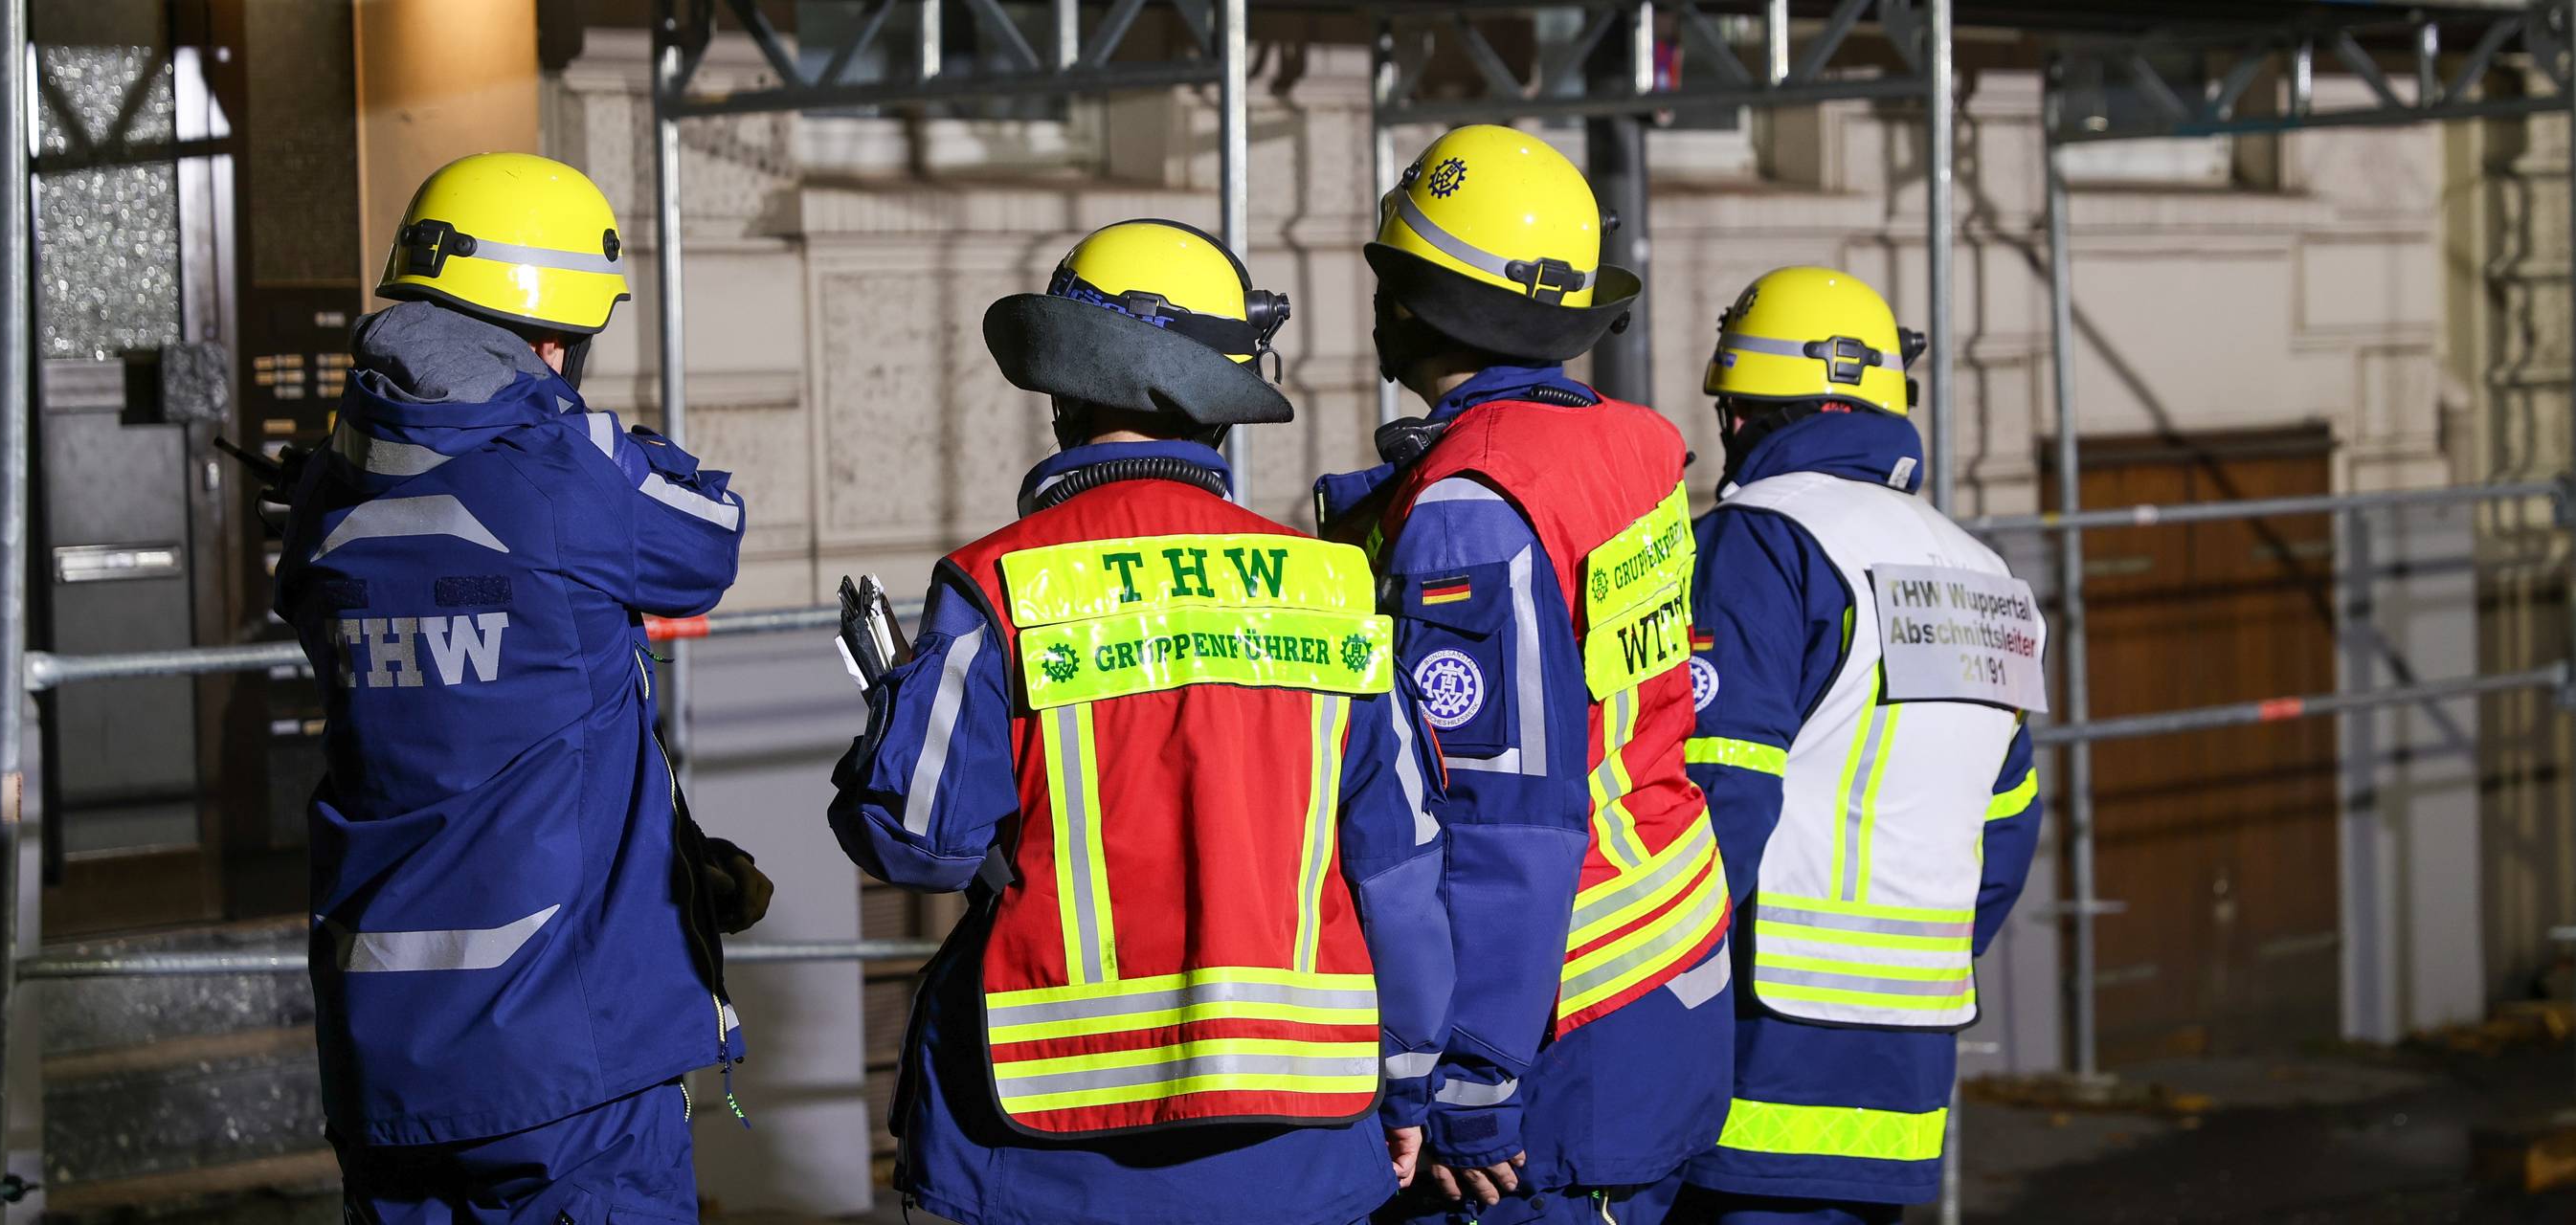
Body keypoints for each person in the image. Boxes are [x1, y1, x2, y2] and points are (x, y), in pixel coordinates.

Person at [826, 218, 1453, 1225]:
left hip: (1047, 1150)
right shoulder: (1335, 587)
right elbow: (1401, 865)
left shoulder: (997, 586)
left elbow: (917, 843)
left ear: (1065, 389)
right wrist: (1414, 1075)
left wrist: (899, 705)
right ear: (1219, 406)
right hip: (1298, 1149)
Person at [271, 151, 773, 1225]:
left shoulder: (329, 493)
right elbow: (709, 540)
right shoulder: (561, 472)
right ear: (551, 341)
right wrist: (586, 436)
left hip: (381, 1051)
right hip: (563, 1058)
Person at [1316, 124, 1735, 1225]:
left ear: (1414, 301)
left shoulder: (1472, 505)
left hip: (1553, 1027)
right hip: (1667, 968)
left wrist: (1472, 1069)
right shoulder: (1627, 443)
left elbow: (1503, 812)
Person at [1667, 267, 2048, 1225]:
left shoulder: (1759, 541)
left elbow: (1721, 793)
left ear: (1744, 413)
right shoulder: (1981, 569)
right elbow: (2007, 827)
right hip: (1904, 1078)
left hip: (1755, 1052)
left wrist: (1646, 998)